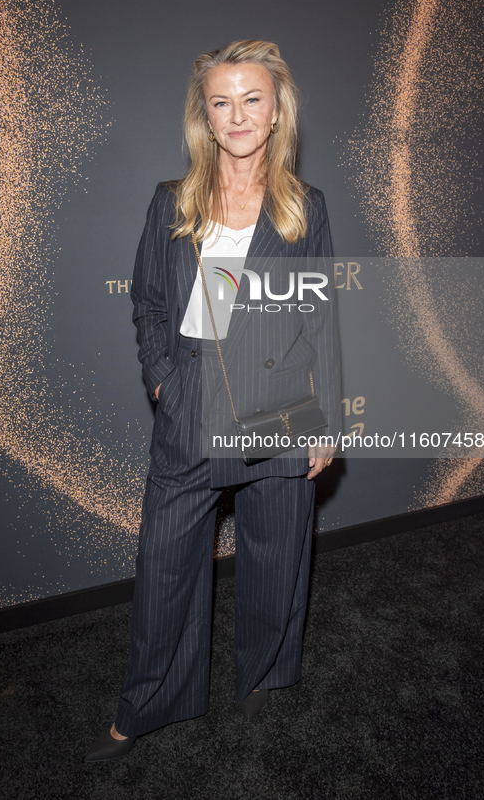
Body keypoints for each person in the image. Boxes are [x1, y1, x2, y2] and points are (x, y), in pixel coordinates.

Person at [85, 40, 340, 761]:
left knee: (277, 555)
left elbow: (320, 318)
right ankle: (148, 701)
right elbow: (148, 304)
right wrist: (164, 375)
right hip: (192, 400)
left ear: (275, 110)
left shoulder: (303, 208)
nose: (237, 115)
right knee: (165, 568)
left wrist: (330, 416)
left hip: (283, 407)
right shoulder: (173, 200)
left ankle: (265, 675)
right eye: (221, 101)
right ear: (204, 114)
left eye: (251, 98)